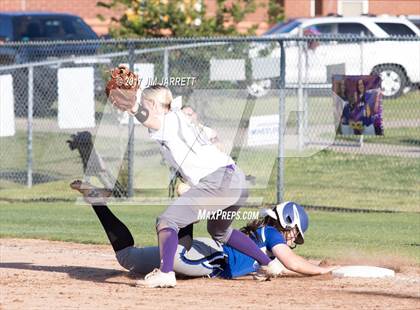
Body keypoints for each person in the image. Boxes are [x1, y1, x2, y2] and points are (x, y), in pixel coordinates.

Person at [107, 76, 281, 288]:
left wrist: (134, 107)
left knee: (167, 221)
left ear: (152, 104)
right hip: (235, 178)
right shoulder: (182, 118)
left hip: (219, 182)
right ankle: (268, 263)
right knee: (220, 232)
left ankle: (165, 273)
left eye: (146, 103)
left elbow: (150, 119)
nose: (145, 108)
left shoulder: (167, 120)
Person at [70, 181, 338, 281]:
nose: (293, 241)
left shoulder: (261, 235)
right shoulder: (271, 234)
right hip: (207, 255)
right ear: (287, 222)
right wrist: (320, 269)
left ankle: (96, 200)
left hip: (202, 247)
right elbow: (291, 262)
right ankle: (188, 199)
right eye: (295, 234)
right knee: (176, 257)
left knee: (127, 258)